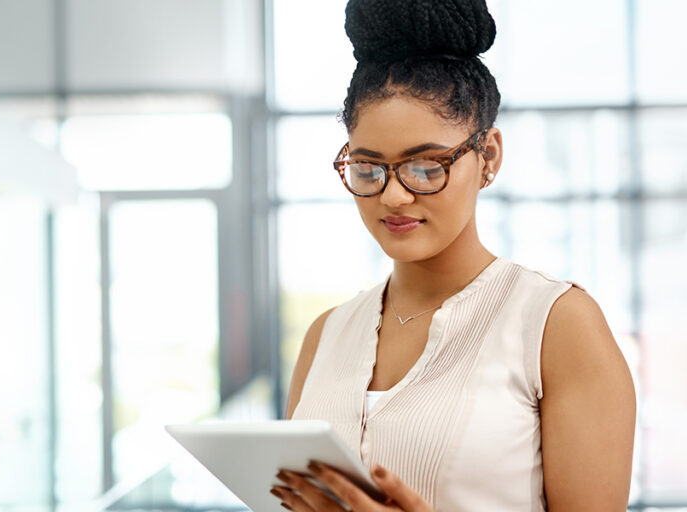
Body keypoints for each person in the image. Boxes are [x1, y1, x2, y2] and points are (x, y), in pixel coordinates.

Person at [269, 0, 636, 510]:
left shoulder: (558, 326)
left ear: (487, 156)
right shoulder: (326, 335)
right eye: (369, 168)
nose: (394, 196)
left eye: (426, 167)